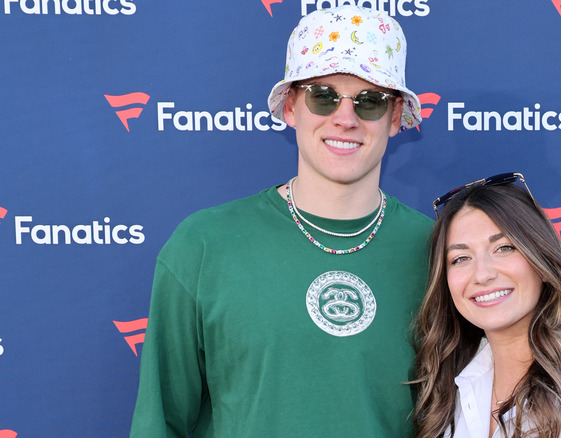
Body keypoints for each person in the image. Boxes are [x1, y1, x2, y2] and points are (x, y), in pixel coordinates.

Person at [130, 5, 431, 437]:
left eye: (370, 101)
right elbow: (160, 424)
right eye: (323, 95)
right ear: (291, 107)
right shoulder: (204, 246)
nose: (345, 119)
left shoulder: (441, 253)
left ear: (396, 116)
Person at [412, 173, 561, 438]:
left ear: (541, 262)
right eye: (460, 258)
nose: (482, 275)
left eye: (504, 248)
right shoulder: (457, 387)